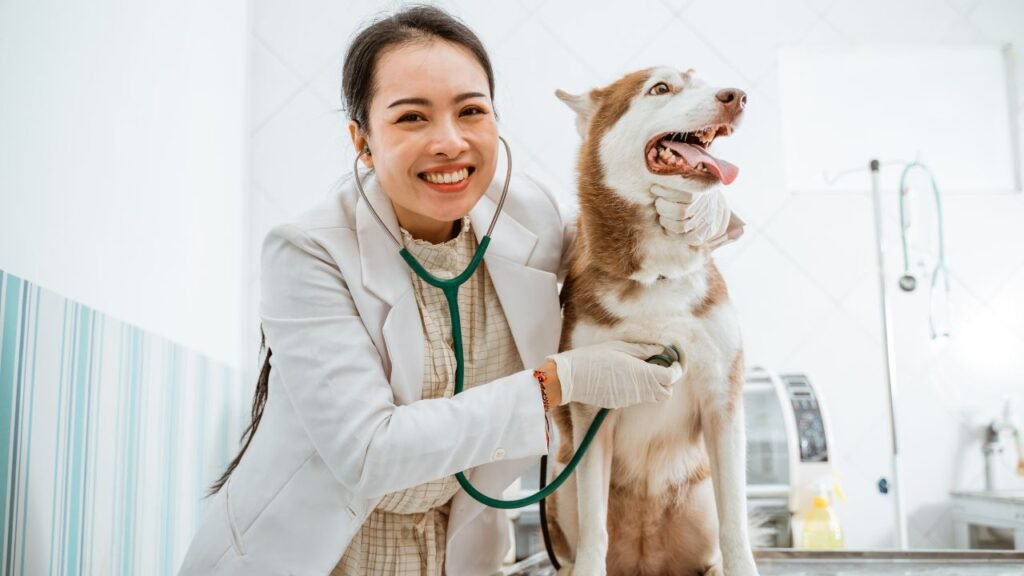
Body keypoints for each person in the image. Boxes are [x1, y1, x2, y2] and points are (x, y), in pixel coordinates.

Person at [178, 6, 740, 576]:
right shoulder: (307, 252)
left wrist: (702, 203)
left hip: (456, 557)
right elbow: (370, 454)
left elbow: (626, 238)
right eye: (411, 118)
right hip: (318, 557)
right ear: (363, 141)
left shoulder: (530, 217)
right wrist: (556, 382)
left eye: (471, 111)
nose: (449, 142)